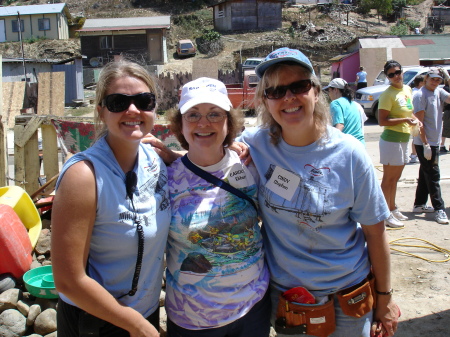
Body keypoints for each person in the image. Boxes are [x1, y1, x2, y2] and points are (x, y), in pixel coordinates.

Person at [239, 47, 400, 337]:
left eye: (298, 86)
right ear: (265, 100)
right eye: (275, 91)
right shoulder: (256, 145)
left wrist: (385, 299)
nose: (288, 98)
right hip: (289, 297)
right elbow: (207, 150)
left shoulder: (349, 154)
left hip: (347, 296)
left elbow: (376, 233)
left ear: (315, 91)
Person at [51, 60, 171, 337]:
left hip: (144, 313)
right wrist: (136, 325)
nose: (132, 110)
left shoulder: (156, 161)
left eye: (144, 100)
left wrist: (230, 152)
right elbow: (68, 280)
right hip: (96, 320)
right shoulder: (84, 176)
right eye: (118, 102)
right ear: (101, 111)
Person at [164, 77, 270, 336]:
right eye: (193, 115)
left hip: (253, 307)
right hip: (193, 318)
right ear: (180, 124)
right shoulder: (165, 178)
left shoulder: (250, 163)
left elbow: (286, 197)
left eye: (214, 114)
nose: (203, 123)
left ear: (229, 121)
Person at [377, 60, 419, 228]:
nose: (396, 76)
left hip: (404, 138)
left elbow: (410, 112)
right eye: (391, 74)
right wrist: (405, 119)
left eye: (398, 72)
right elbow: (382, 121)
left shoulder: (407, 89)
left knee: (396, 178)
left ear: (402, 72)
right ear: (387, 77)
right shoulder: (387, 95)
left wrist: (416, 120)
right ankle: (383, 213)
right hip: (391, 140)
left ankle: (392, 208)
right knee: (388, 178)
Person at [412, 67, 450, 225]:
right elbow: (419, 122)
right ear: (426, 78)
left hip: (433, 141)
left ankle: (419, 204)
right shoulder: (420, 95)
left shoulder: (438, 92)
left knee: (426, 172)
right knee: (434, 175)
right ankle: (439, 208)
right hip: (425, 142)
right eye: (433, 78)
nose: (435, 82)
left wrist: (448, 79)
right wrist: (426, 144)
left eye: (438, 80)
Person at [325, 77, 365, 144]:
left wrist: (332, 144)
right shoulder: (353, 103)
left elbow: (340, 125)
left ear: (335, 90)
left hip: (348, 145)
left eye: (329, 91)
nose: (329, 94)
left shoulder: (336, 103)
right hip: (360, 144)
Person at [410, 75, 425, 163]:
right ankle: (414, 155)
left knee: (417, 137)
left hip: (417, 117)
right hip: (416, 117)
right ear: (420, 83)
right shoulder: (416, 93)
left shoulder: (415, 91)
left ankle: (415, 154)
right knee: (416, 137)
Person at [440, 77, 450, 153]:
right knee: (445, 129)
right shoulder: (446, 88)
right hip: (448, 111)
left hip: (447, 111)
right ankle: (442, 145)